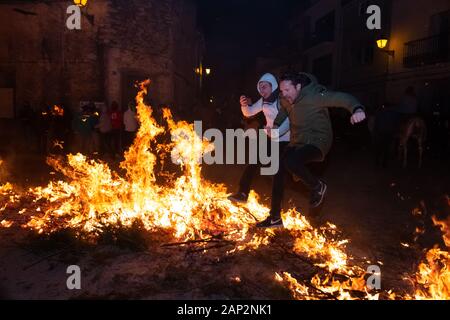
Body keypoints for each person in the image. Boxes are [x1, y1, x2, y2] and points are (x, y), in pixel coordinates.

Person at [257, 72, 366, 228]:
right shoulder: (286, 98)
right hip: (298, 141)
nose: (284, 94)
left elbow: (342, 98)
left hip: (318, 141)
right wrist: (275, 124)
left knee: (291, 161)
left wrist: (357, 109)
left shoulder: (315, 95)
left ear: (299, 87)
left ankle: (318, 187)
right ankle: (275, 217)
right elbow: (284, 111)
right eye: (281, 91)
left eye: (287, 90)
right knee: (278, 171)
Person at [228, 73, 290, 210]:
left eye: (265, 87)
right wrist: (244, 105)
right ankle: (243, 193)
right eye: (260, 87)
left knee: (279, 172)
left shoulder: (281, 100)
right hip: (271, 137)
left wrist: (276, 132)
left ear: (273, 86)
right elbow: (249, 112)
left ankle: (277, 209)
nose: (262, 90)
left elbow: (289, 121)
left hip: (285, 140)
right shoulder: (263, 101)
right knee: (254, 162)